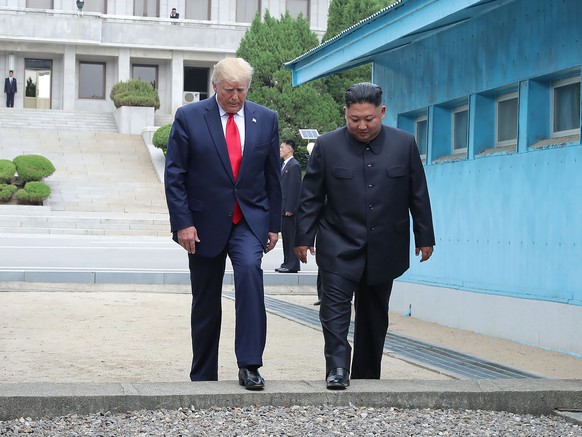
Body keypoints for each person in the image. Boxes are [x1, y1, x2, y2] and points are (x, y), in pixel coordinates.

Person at [294, 82, 435, 390]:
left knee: (373, 315)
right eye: (354, 119)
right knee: (334, 311)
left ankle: (368, 375)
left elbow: (418, 195)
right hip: (337, 242)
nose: (361, 125)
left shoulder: (404, 144)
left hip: (385, 246)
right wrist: (302, 238)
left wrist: (425, 236)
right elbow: (311, 196)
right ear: (345, 113)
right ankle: (337, 368)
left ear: (382, 112)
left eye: (369, 119)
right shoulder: (327, 146)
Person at [164, 57, 282, 390]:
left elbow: (273, 175)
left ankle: (250, 365)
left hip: (248, 219)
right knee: (205, 299)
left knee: (249, 274)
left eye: (241, 90)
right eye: (228, 89)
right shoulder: (189, 117)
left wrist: (274, 224)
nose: (234, 97)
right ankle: (203, 373)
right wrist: (183, 223)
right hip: (201, 224)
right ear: (215, 85)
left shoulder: (266, 119)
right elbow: (175, 175)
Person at [275, 139, 301, 274]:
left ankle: (292, 264)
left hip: (289, 209)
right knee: (286, 236)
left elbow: (294, 188)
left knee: (291, 237)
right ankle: (287, 262)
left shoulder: (294, 165)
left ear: (290, 149)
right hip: (283, 207)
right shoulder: (284, 165)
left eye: (283, 147)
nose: (281, 149)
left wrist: (290, 208)